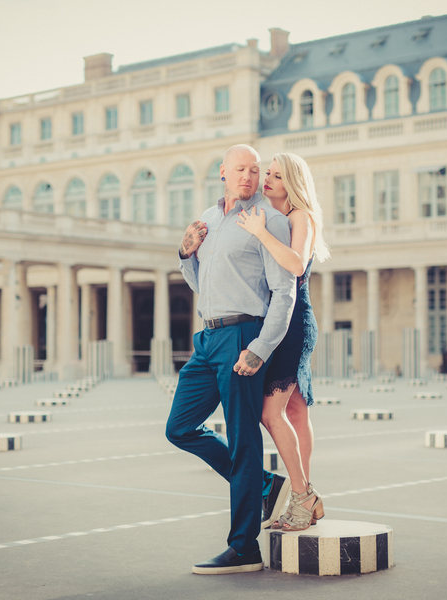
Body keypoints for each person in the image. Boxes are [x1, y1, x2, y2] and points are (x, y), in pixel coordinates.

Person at [165, 144, 296, 575]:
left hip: (244, 333)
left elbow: (285, 291)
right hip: (207, 337)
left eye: (256, 170)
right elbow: (199, 280)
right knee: (180, 428)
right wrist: (185, 253)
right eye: (240, 168)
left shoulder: (268, 220)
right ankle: (261, 484)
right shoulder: (207, 218)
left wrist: (259, 349)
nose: (249, 176)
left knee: (243, 441)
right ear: (222, 172)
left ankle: (244, 548)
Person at [236, 152, 330, 532]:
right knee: (295, 412)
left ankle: (302, 497)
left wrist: (258, 233)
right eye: (267, 174)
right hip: (283, 319)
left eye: (275, 175)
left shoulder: (299, 217)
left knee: (269, 413)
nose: (267, 180)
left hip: (294, 325)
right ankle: (302, 497)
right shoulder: (272, 216)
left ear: (291, 182)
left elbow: (294, 264)